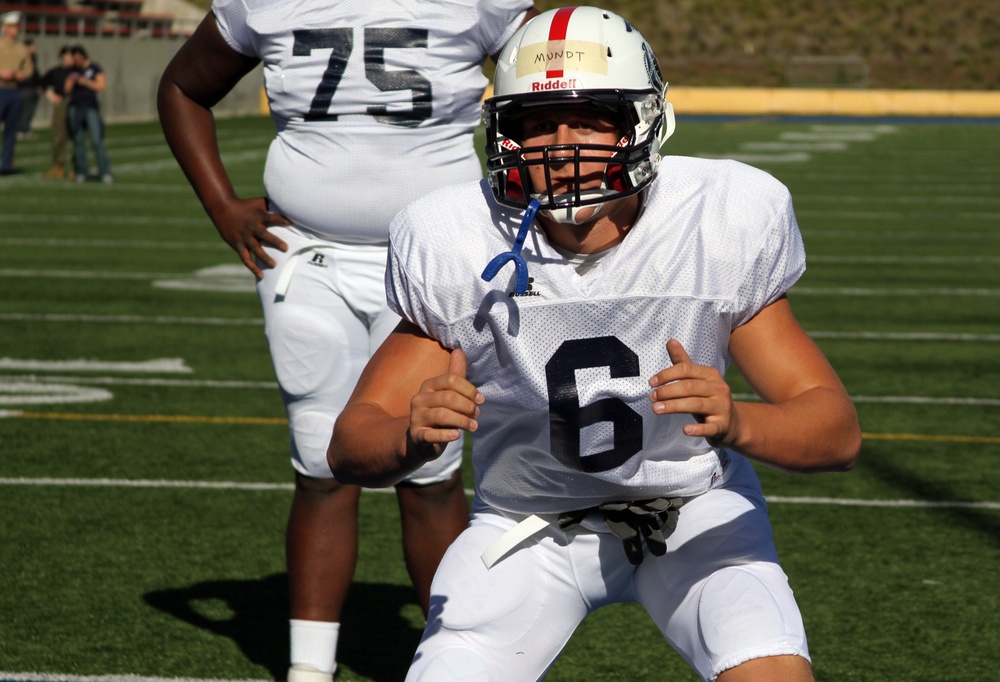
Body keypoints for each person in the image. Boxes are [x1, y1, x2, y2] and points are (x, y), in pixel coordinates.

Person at [329, 6, 863, 681]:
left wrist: (740, 421)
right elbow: (350, 444)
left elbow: (836, 431)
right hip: (529, 527)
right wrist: (411, 437)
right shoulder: (456, 237)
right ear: (504, 135)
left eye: (591, 118)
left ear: (644, 122)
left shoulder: (719, 219)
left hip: (693, 511)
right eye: (535, 122)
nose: (561, 142)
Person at [157, 1, 538, 680]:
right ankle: (309, 670)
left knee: (430, 470)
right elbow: (184, 86)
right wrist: (221, 205)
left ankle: (461, 659)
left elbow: (551, 78)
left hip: (438, 261)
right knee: (321, 464)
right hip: (309, 258)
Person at [65, 45, 112, 183]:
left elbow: (102, 86)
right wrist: (72, 81)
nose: (76, 60)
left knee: (96, 140)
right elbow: (66, 90)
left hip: (90, 107)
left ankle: (105, 171)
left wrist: (85, 82)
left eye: (78, 57)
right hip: (75, 107)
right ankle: (82, 171)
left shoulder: (94, 68)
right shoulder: (73, 70)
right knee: (78, 140)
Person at [0, 11, 33, 176]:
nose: (16, 29)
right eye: (12, 26)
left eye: (17, 26)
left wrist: (22, 75)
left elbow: (29, 69)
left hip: (14, 90)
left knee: (11, 130)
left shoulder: (21, 48)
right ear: (4, 27)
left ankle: (6, 165)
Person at [41, 45, 74, 179]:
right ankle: (58, 166)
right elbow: (41, 84)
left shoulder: (77, 71)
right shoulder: (56, 71)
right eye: (67, 56)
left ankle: (77, 167)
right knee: (58, 135)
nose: (69, 59)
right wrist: (51, 96)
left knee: (76, 136)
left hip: (76, 104)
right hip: (61, 104)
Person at [16, 37, 40, 139]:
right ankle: (21, 130)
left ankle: (26, 129)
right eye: (33, 46)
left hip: (33, 88)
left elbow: (35, 74)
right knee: (24, 110)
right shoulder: (22, 58)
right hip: (25, 88)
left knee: (30, 110)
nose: (35, 48)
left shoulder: (33, 58)